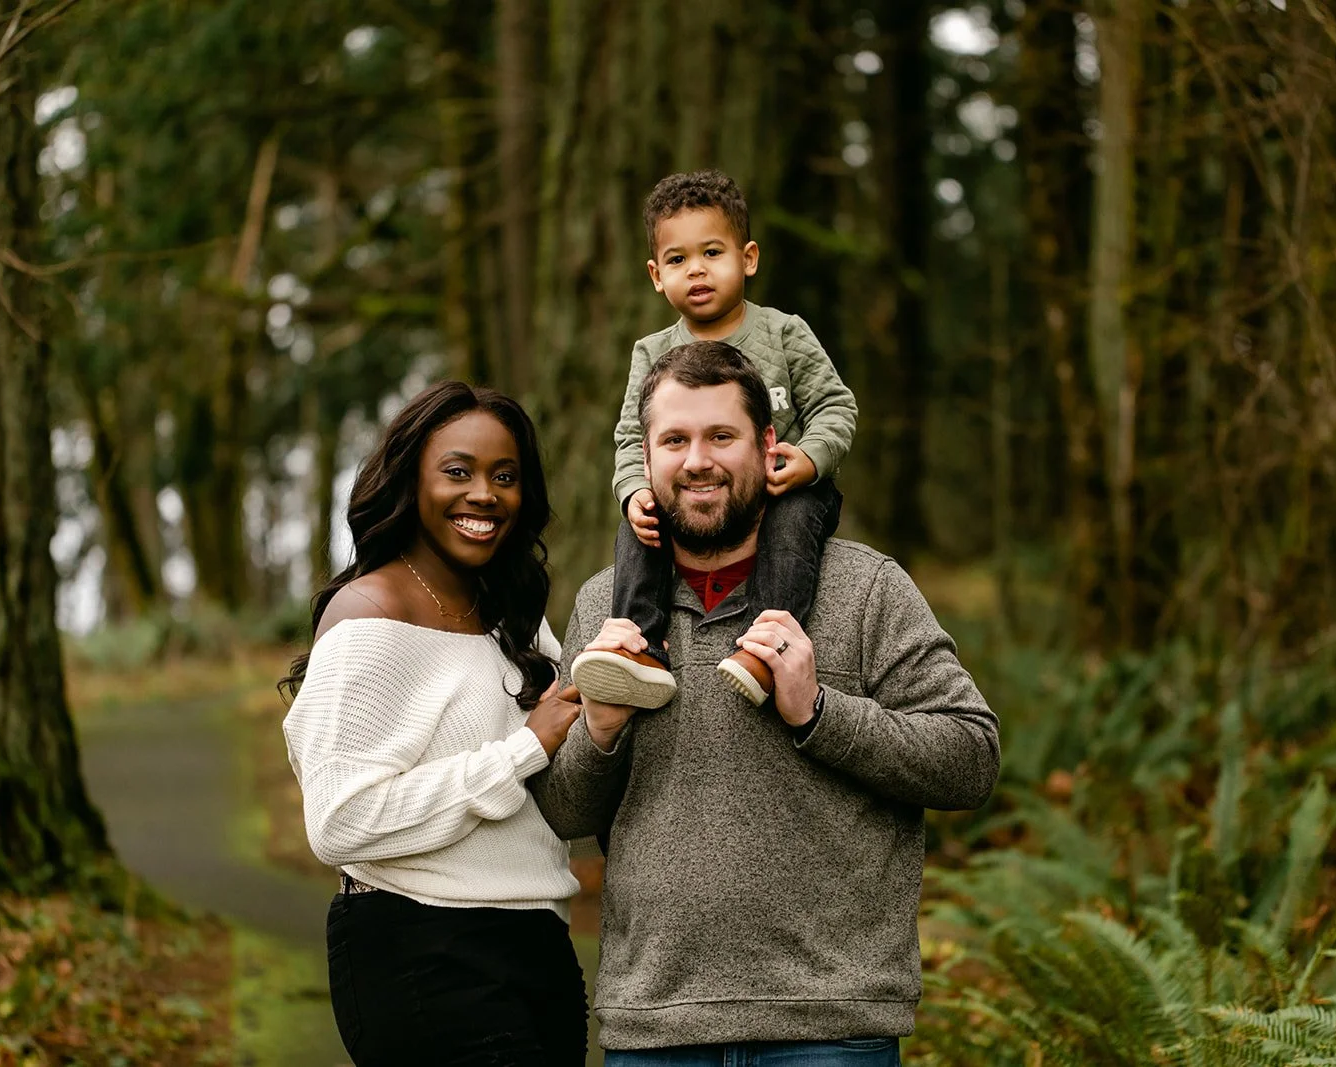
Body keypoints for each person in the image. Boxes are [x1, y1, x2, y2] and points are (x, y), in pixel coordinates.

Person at [530, 342, 1000, 1064]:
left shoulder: (865, 588)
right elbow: (565, 813)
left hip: (828, 1026)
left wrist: (818, 710)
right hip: (656, 1026)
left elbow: (970, 760)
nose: (697, 461)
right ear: (644, 459)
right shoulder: (606, 605)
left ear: (770, 445)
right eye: (675, 440)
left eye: (722, 436)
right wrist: (599, 728)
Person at [280, 381, 588, 1067]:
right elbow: (340, 820)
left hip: (539, 945)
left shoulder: (517, 619)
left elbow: (560, 784)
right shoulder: (368, 617)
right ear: (410, 479)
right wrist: (522, 750)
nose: (485, 494)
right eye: (459, 471)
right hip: (422, 950)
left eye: (504, 476)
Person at [571, 169, 859, 711]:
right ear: (657, 275)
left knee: (793, 522)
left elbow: (835, 406)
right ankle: (640, 649)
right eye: (678, 260)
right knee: (642, 525)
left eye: (712, 253)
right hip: (695, 498)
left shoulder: (783, 332)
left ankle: (765, 645)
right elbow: (632, 436)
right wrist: (634, 490)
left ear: (747, 259)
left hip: (786, 487)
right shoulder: (651, 351)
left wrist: (809, 457)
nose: (696, 270)